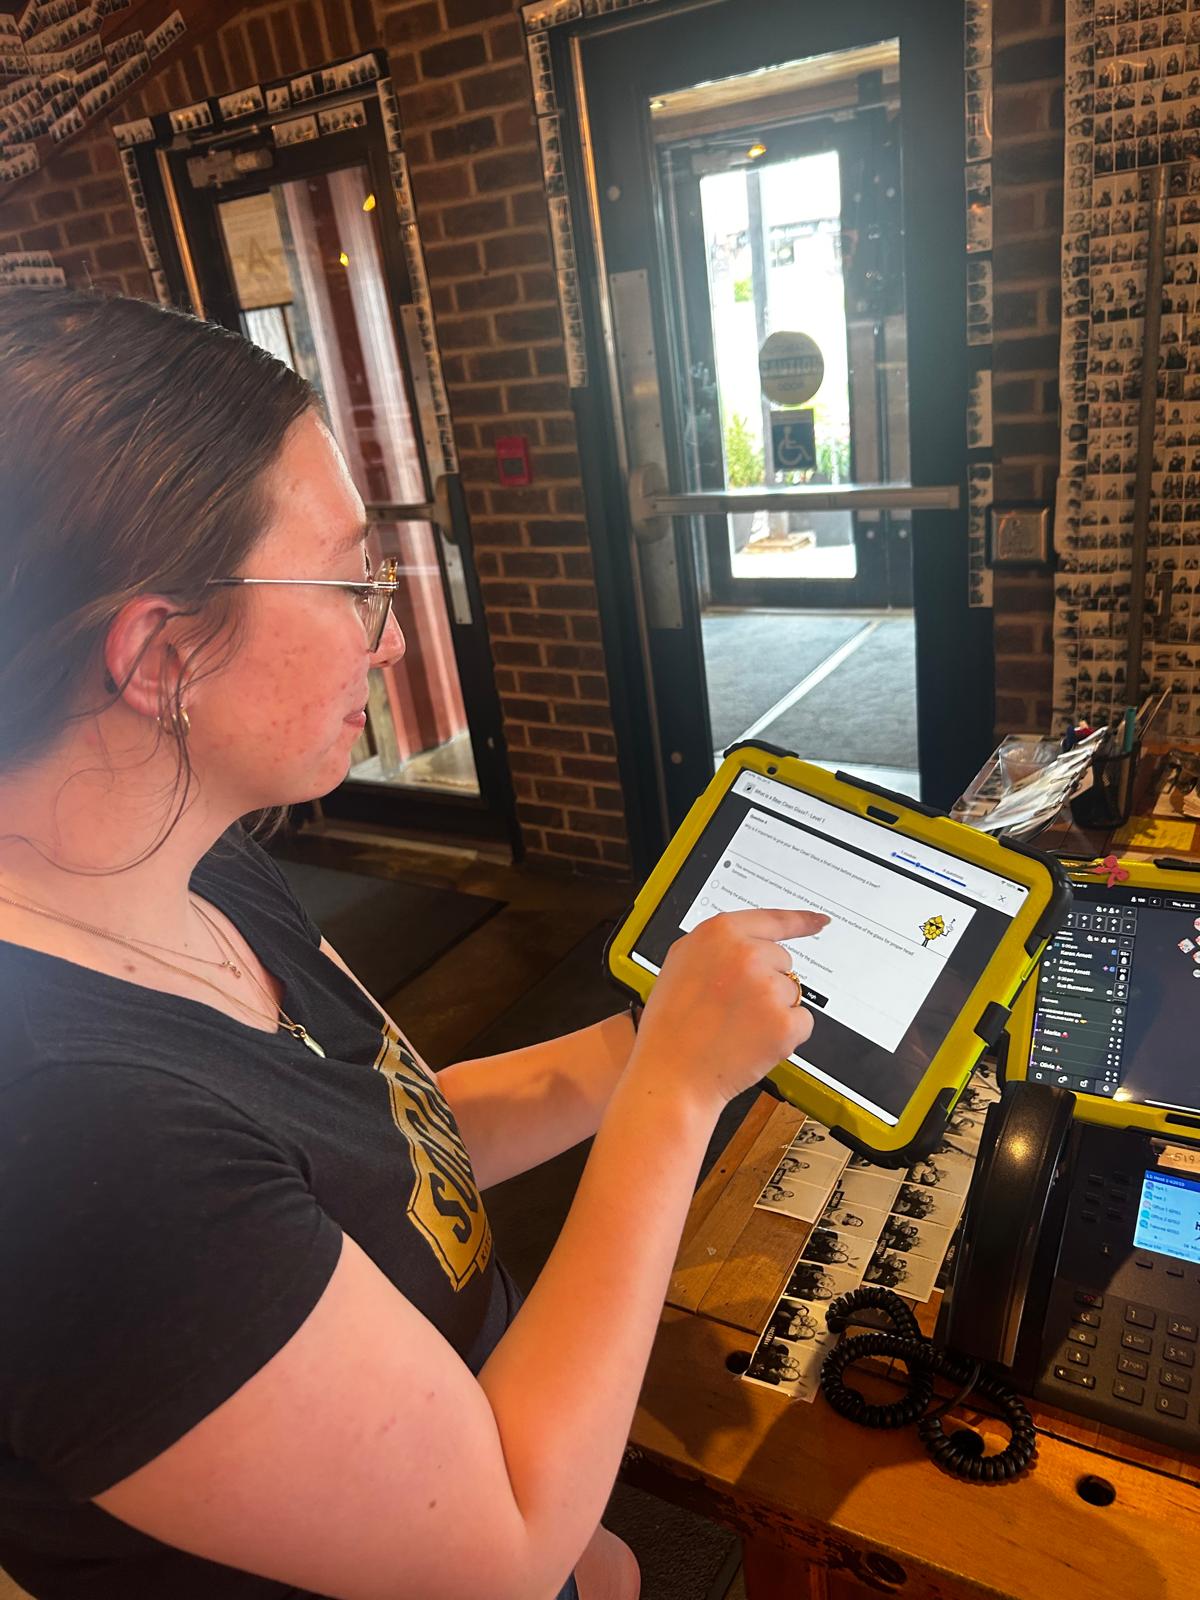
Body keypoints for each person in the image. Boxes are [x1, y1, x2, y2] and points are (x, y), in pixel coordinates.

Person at [0, 289, 826, 1600]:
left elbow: (386, 1146)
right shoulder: (68, 1130)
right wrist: (673, 1097)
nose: (387, 637)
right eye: (347, 583)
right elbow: (494, 1548)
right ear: (159, 652)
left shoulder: (201, 865)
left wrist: (640, 1045)